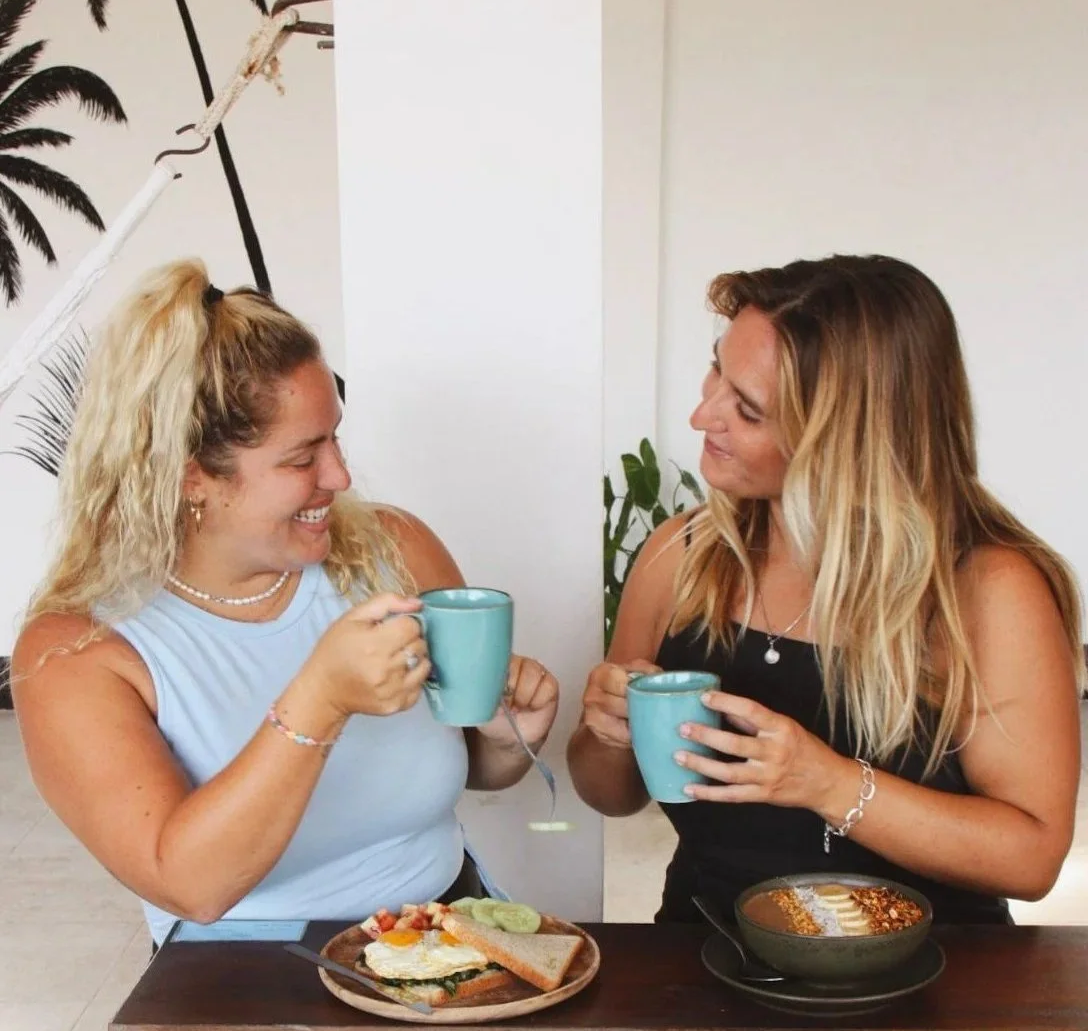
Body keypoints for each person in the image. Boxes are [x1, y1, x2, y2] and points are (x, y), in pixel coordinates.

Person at [12, 260, 558, 946]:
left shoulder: (397, 551)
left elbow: (467, 764)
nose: (340, 475)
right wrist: (320, 698)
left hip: (448, 942)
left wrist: (509, 741)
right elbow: (190, 884)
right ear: (192, 476)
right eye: (303, 458)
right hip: (244, 992)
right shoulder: (76, 652)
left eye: (336, 434)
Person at [569, 254, 1084, 924]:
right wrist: (606, 734)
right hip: (705, 964)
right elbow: (610, 794)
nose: (702, 415)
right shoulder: (684, 555)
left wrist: (829, 782)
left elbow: (1033, 857)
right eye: (717, 369)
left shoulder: (988, 591)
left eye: (747, 410)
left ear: (845, 444)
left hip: (931, 983)